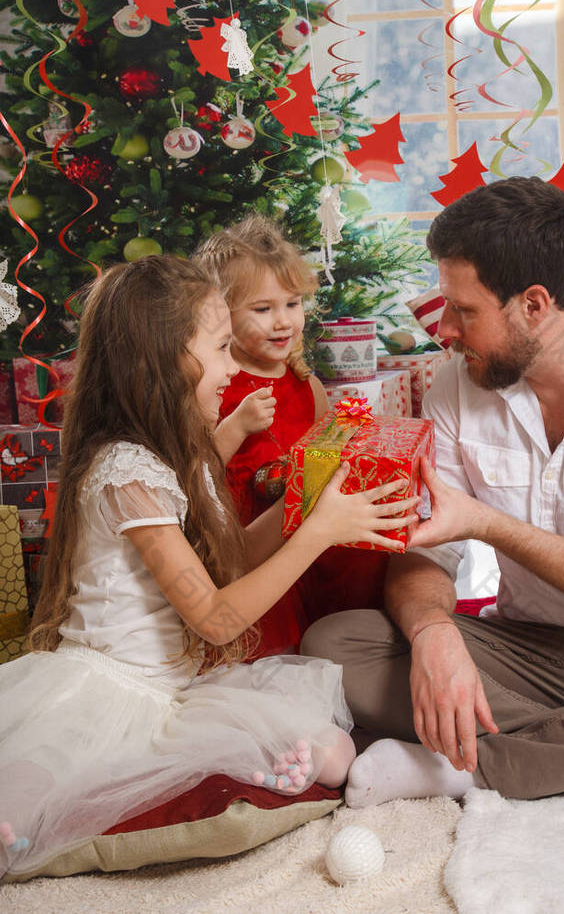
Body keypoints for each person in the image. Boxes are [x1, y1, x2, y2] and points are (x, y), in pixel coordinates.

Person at [0, 255, 418, 879]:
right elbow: (217, 618)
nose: (232, 368)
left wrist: (309, 501)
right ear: (166, 360)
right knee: (25, 810)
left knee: (332, 756)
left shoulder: (182, 455)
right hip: (111, 690)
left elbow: (229, 561)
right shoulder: (126, 471)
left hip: (178, 689)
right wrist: (318, 535)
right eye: (221, 349)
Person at [301, 176, 564, 807]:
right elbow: (427, 549)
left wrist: (488, 523)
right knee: (336, 644)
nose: (447, 331)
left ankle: (471, 766)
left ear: (535, 304)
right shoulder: (459, 385)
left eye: (465, 311)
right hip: (524, 650)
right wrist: (435, 633)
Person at [195, 215, 390, 656]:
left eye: (293, 304)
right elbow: (193, 475)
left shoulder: (306, 384)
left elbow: (326, 455)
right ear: (220, 315)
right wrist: (234, 426)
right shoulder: (217, 386)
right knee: (276, 653)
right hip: (250, 553)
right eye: (262, 310)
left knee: (361, 575)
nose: (283, 322)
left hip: (309, 536)